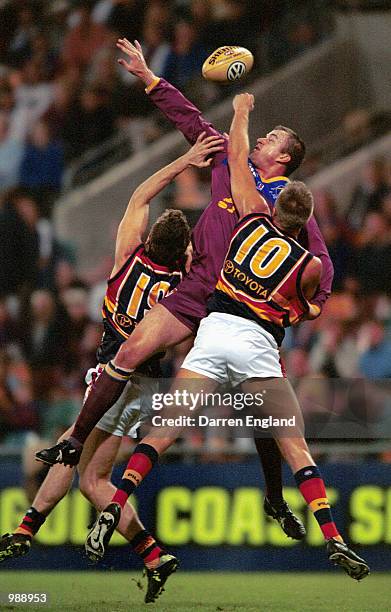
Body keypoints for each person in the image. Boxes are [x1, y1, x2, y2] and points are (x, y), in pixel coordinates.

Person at [36, 39, 334, 540]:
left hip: (241, 307)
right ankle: (74, 441)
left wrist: (311, 305)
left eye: (273, 138)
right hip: (198, 290)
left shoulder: (284, 199)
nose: (262, 139)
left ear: (284, 158)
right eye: (262, 135)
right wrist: (150, 78)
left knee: (270, 417)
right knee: (131, 350)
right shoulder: (227, 163)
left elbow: (320, 259)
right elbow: (191, 120)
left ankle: (274, 497)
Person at [86, 94, 369, 581]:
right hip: (259, 344)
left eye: (274, 138)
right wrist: (307, 306)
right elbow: (312, 297)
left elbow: (236, 158)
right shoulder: (307, 262)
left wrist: (240, 113)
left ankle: (116, 503)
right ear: (303, 224)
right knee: (292, 443)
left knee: (164, 430)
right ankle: (334, 537)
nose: (264, 138)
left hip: (214, 331)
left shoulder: (248, 215)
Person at [0, 133, 223, 604]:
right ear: (182, 253)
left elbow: (139, 194)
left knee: (71, 449)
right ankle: (154, 555)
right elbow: (184, 338)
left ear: (148, 239)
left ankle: (25, 528)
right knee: (92, 479)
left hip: (110, 377)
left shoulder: (126, 260)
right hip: (145, 385)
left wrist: (183, 161)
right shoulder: (183, 292)